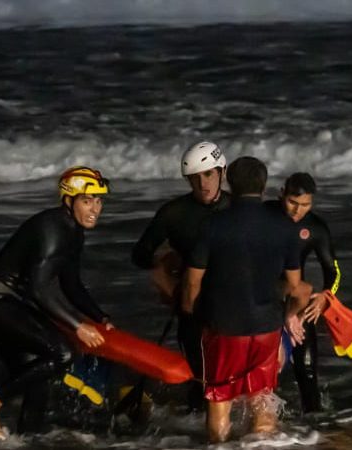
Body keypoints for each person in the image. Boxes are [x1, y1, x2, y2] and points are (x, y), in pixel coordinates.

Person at [0, 166, 114, 440]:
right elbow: (39, 289)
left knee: (39, 380)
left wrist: (100, 317)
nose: (95, 208)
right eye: (87, 201)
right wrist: (78, 327)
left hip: (11, 306)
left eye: (98, 200)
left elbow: (71, 284)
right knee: (63, 353)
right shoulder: (53, 228)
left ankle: (23, 442)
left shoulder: (73, 230)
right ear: (68, 200)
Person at [181, 157, 312, 443]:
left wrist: (192, 313)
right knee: (262, 397)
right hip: (266, 327)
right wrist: (288, 315)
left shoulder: (212, 225)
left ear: (228, 180)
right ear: (264, 187)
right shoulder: (284, 228)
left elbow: (193, 282)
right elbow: (295, 286)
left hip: (224, 327)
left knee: (219, 399)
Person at [131, 141, 231, 411]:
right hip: (192, 305)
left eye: (208, 174)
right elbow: (140, 255)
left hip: (234, 305)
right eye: (194, 179)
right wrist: (163, 265)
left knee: (232, 377)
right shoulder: (174, 213)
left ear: (222, 171)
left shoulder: (238, 209)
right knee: (200, 380)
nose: (203, 184)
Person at [266, 172, 339, 413]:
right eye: (292, 203)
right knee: (262, 377)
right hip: (262, 299)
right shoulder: (264, 216)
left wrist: (325, 297)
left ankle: (314, 433)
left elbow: (333, 270)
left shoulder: (315, 227)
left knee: (307, 373)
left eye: (305, 205)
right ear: (281, 195)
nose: (298, 211)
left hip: (298, 301)